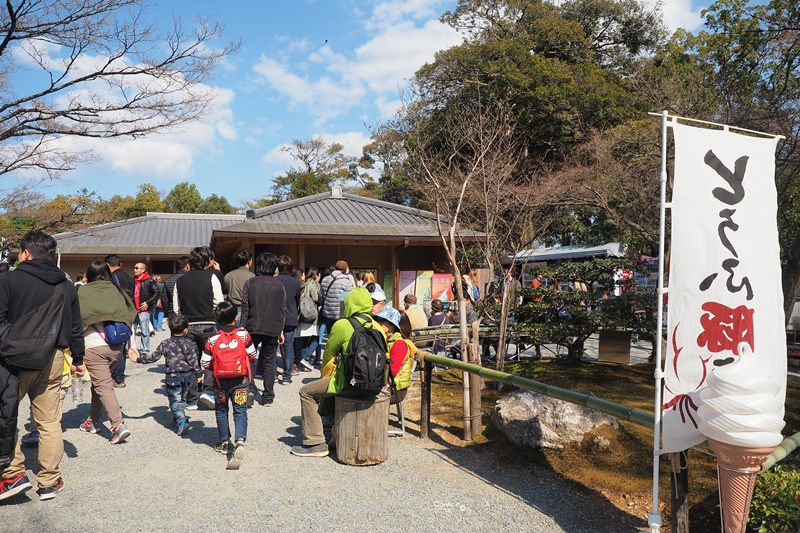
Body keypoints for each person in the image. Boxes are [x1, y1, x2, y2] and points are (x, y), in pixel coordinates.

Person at [0, 230, 85, 501]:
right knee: (49, 422)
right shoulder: (66, 285)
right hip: (53, 358)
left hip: (12, 358)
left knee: (6, 415)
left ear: (26, 253)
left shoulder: (8, 280)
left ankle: (13, 473)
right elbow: (75, 327)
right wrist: (79, 360)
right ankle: (49, 481)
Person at [291, 288, 385, 458]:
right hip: (374, 386)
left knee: (306, 392)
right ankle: (334, 432)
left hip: (348, 383)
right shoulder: (378, 327)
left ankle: (315, 442)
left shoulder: (342, 324)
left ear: (349, 303)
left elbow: (328, 354)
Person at [77, 261, 138, 445]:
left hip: (93, 345)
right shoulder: (117, 291)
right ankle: (92, 422)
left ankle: (118, 426)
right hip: (117, 346)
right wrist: (132, 346)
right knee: (100, 384)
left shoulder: (83, 292)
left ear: (89, 274)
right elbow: (129, 317)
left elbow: (77, 319)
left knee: (103, 386)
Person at [201, 301, 257, 470]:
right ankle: (240, 441)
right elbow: (253, 354)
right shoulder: (243, 334)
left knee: (221, 410)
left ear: (217, 320)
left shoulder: (212, 339)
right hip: (241, 381)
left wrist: (218, 366)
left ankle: (224, 442)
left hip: (220, 383)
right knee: (240, 411)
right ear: (236, 317)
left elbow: (204, 363)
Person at [130, 314, 201, 436]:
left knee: (175, 401)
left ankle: (181, 420)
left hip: (173, 376)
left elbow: (153, 357)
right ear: (185, 330)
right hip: (187, 375)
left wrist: (138, 359)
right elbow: (194, 360)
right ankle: (178, 418)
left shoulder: (165, 343)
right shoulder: (188, 343)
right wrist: (199, 374)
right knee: (182, 399)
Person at [174, 246, 225, 410]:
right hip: (208, 324)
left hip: (188, 325)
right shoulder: (211, 278)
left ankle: (191, 399)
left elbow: (176, 308)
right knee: (210, 360)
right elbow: (218, 301)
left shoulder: (180, 280)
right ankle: (208, 391)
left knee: (191, 362)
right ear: (207, 262)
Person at [241, 252, 285, 407]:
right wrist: (281, 330)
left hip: (253, 325)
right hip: (272, 326)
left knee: (249, 359)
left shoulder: (250, 283)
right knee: (269, 361)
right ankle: (268, 396)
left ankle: (250, 389)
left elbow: (245, 307)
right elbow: (282, 309)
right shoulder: (279, 285)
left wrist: (242, 326)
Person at [373, 307, 416, 405]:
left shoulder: (399, 344)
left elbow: (391, 372)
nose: (378, 323)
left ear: (392, 324)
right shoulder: (385, 340)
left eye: (382, 320)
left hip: (395, 389)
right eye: (377, 320)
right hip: (385, 384)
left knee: (366, 399)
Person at [105, 254, 135, 388]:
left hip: (113, 314)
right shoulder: (129, 277)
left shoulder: (110, 279)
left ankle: (115, 376)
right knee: (122, 346)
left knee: (113, 344)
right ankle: (119, 377)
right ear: (120, 264)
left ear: (107, 265)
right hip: (126, 315)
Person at [275, 255, 301, 384]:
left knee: (273, 347)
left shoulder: (274, 281)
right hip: (290, 317)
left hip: (275, 318)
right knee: (288, 347)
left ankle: (273, 374)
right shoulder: (296, 282)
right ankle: (286, 376)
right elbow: (298, 301)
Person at [319, 260, 355, 333]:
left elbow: (320, 297)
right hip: (341, 315)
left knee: (331, 335)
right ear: (345, 269)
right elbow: (350, 300)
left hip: (328, 314)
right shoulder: (347, 282)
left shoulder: (325, 279)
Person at [294, 267, 319, 372]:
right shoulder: (312, 284)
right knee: (315, 339)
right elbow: (316, 298)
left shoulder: (301, 285)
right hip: (310, 315)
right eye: (319, 275)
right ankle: (305, 358)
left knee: (301, 339)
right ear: (315, 275)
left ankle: (299, 360)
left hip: (301, 314)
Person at [132, 262, 160, 355]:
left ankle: (144, 349)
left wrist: (148, 302)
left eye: (137, 268)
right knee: (132, 331)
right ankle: (132, 349)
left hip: (144, 310)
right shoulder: (132, 280)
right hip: (133, 309)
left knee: (144, 330)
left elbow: (157, 293)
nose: (134, 270)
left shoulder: (149, 280)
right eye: (134, 268)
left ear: (143, 270)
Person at [224, 249, 254, 326]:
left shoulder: (228, 276)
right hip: (247, 312)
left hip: (232, 312)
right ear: (249, 261)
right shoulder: (253, 277)